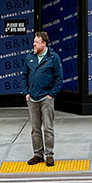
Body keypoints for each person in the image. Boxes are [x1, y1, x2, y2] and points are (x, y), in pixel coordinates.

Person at [23, 30, 63, 166]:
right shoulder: (30, 57)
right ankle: (38, 154)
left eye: (37, 42)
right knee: (35, 129)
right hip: (32, 99)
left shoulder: (53, 57)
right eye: (34, 41)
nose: (34, 44)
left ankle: (49, 155)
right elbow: (24, 76)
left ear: (44, 43)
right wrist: (26, 92)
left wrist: (51, 95)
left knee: (48, 128)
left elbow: (59, 78)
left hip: (46, 99)